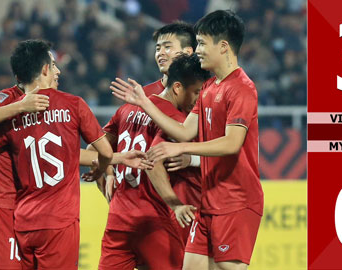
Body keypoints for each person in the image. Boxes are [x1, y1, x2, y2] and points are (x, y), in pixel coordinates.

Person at [111, 10, 263, 270]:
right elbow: (184, 130)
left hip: (236, 201)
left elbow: (231, 143)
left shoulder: (242, 89)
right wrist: (145, 102)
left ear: (223, 47)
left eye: (202, 44)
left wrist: (180, 149)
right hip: (208, 200)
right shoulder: (210, 87)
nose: (198, 50)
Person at [0, 39, 114, 270]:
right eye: (53, 65)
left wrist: (114, 160)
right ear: (43, 68)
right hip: (2, 202)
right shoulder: (8, 102)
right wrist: (20, 107)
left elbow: (64, 154)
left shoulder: (54, 105)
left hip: (26, 207)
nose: (58, 71)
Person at [97, 54, 210, 270]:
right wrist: (174, 204)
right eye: (197, 92)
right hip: (153, 217)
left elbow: (96, 149)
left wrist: (107, 171)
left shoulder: (127, 109)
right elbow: (153, 160)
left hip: (118, 217)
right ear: (178, 88)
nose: (200, 99)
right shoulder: (175, 120)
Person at [100, 21, 200, 204]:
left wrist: (193, 158)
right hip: (149, 207)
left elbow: (224, 146)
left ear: (187, 52)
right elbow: (99, 145)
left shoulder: (205, 93)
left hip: (192, 201)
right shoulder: (140, 96)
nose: (160, 53)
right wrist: (107, 173)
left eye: (167, 47)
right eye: (158, 48)